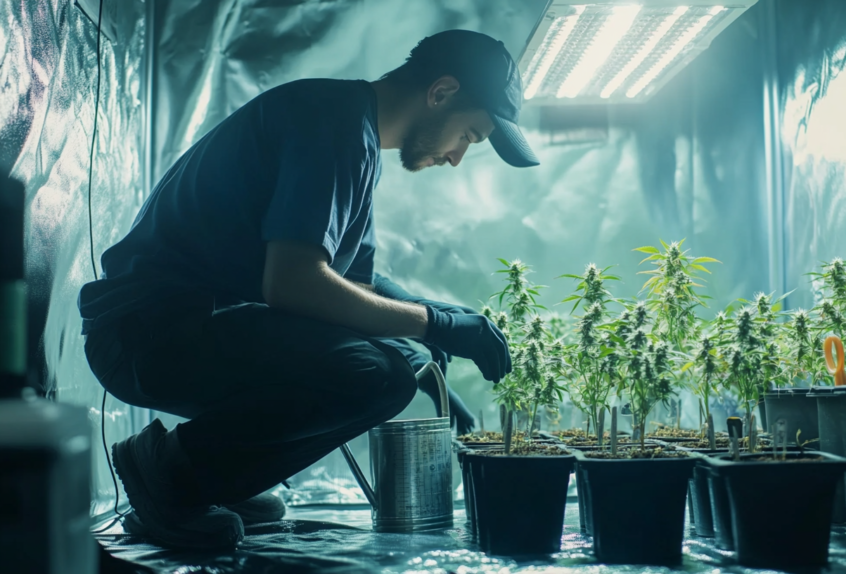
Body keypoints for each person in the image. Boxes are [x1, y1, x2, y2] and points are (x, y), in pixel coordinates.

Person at [78, 29, 538, 550]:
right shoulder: (335, 126)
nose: (458, 157)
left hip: (175, 330)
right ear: (441, 93)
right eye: (470, 135)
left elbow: (354, 286)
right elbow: (294, 284)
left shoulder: (351, 131)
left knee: (396, 364)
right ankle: (170, 473)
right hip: (146, 333)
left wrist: (430, 339)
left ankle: (212, 478)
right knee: (376, 376)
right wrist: (439, 326)